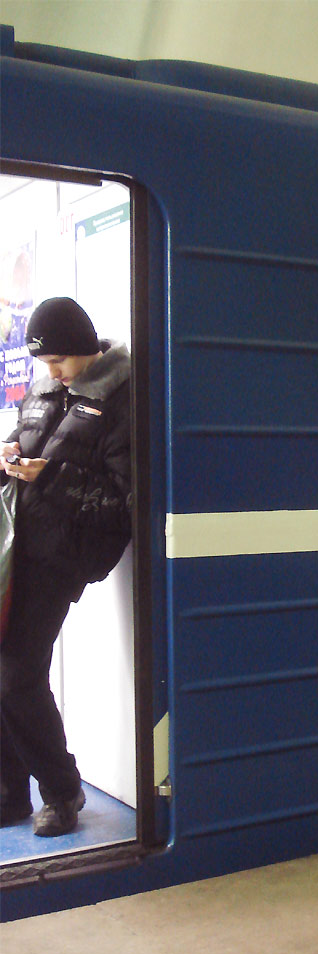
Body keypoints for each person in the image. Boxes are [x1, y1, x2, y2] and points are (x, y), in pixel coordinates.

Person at [0, 297, 131, 837]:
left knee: (16, 676)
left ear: (84, 347)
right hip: (18, 547)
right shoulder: (43, 392)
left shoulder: (123, 399)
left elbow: (124, 501)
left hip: (64, 555)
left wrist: (48, 476)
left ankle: (61, 791)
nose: (51, 372)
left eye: (58, 360)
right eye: (43, 362)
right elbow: (25, 448)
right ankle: (10, 794)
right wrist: (8, 459)